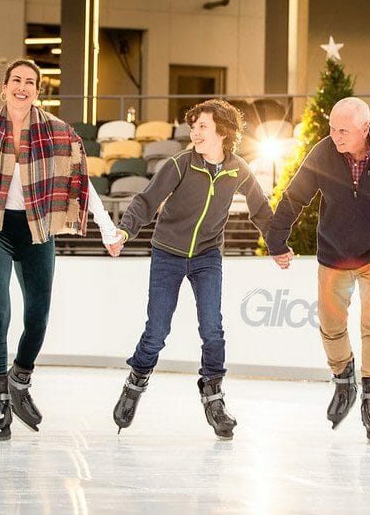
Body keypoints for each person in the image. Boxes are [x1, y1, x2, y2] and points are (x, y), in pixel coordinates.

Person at [0, 58, 122, 441]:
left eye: (30, 83)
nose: (22, 87)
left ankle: (20, 377)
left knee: (38, 317)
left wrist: (108, 229)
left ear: (38, 91)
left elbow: (81, 183)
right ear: (4, 87)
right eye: (16, 81)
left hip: (37, 230)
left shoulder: (57, 132)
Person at [266, 97, 370, 441]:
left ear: (364, 128)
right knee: (331, 326)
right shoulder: (323, 153)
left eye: (342, 129)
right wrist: (276, 241)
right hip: (335, 253)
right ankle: (344, 380)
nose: (335, 135)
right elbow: (294, 197)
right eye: (331, 127)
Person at [110, 99, 273, 440]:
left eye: (203, 127)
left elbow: (260, 208)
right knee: (157, 330)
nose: (195, 132)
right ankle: (136, 380)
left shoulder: (237, 169)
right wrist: (124, 230)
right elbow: (147, 200)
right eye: (194, 126)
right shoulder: (180, 164)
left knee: (212, 329)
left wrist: (278, 244)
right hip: (167, 252)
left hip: (207, 256)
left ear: (222, 133)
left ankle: (213, 396)